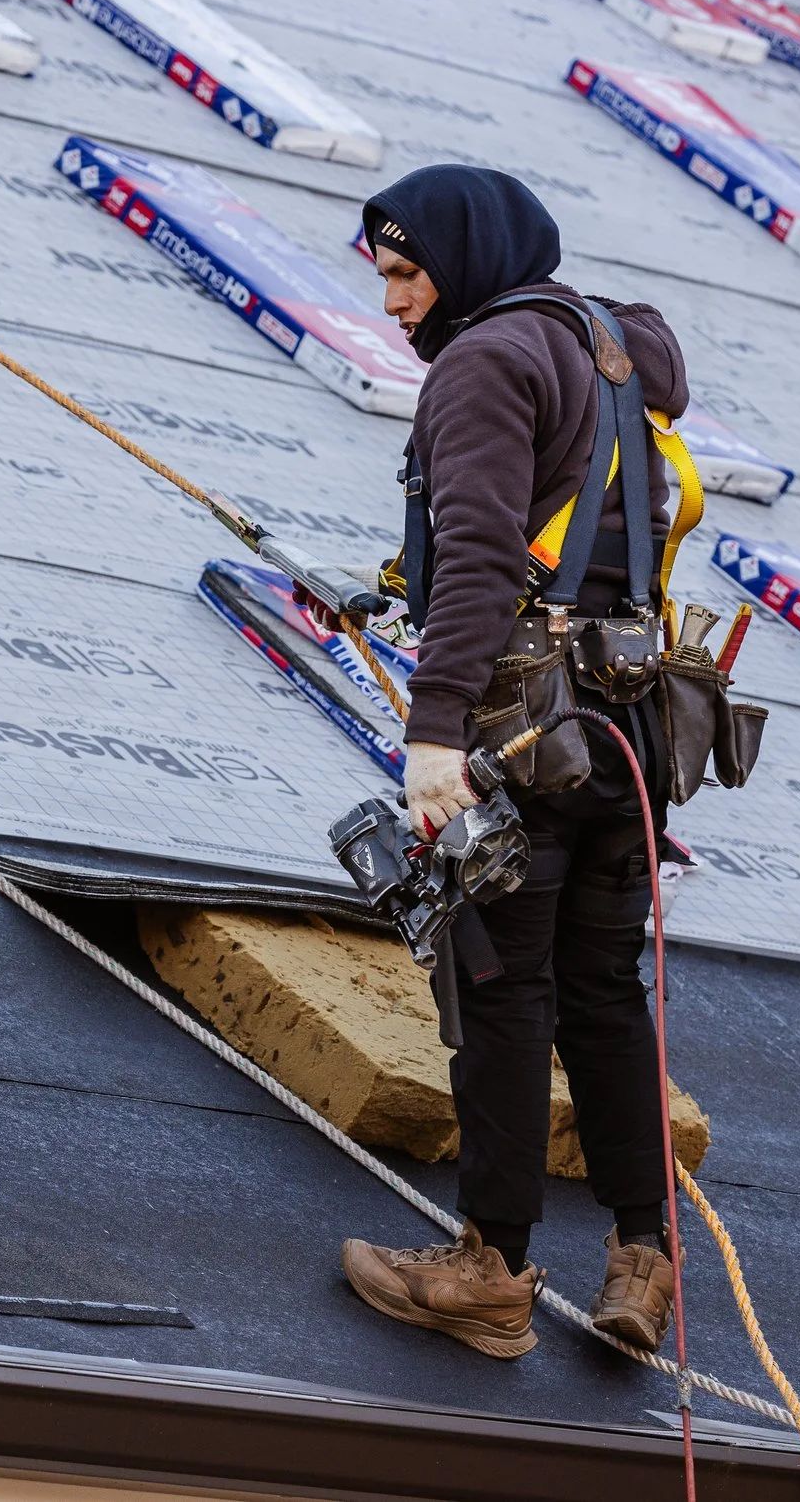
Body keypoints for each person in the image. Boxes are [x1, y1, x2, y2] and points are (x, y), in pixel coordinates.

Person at [337, 166, 692, 1360]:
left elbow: (485, 552)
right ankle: (641, 1257)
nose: (392, 303)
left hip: (522, 741)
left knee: (498, 988)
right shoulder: (612, 347)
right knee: (601, 995)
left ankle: (488, 1267)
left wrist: (432, 731)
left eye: (403, 270)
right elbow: (564, 539)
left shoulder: (483, 361)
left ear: (468, 258)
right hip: (625, 736)